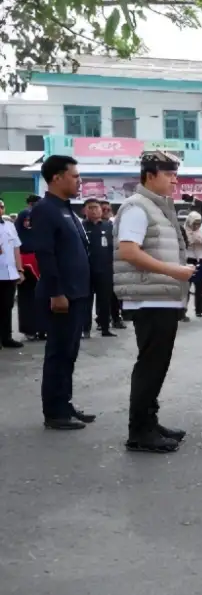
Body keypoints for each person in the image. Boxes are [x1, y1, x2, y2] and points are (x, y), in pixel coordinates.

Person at [112, 152, 193, 452]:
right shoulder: (137, 207)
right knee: (150, 366)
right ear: (150, 175)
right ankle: (139, 432)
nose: (175, 180)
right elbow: (129, 252)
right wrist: (174, 271)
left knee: (157, 365)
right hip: (149, 298)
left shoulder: (158, 207)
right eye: (169, 174)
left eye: (175, 174)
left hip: (161, 297)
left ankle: (149, 421)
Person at [28, 155, 95, 430]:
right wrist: (56, 292)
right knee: (58, 353)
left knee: (69, 353)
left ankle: (64, 403)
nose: (79, 181)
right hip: (62, 295)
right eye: (75, 176)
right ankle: (54, 412)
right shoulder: (45, 209)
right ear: (57, 178)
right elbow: (45, 254)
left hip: (78, 293)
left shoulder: (66, 209)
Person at [81, 198, 116, 337]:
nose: (94, 210)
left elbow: (114, 247)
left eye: (96, 207)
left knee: (105, 299)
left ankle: (105, 327)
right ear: (84, 210)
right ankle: (85, 329)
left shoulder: (108, 226)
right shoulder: (81, 227)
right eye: (90, 208)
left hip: (105, 269)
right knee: (86, 300)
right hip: (86, 269)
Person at [15, 195, 45, 341]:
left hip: (40, 261)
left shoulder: (43, 219)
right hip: (26, 263)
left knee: (40, 297)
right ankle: (31, 329)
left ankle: (41, 328)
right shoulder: (25, 216)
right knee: (28, 298)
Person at [0, 200, 24, 349]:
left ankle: (6, 337)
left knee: (7, 306)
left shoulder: (9, 225)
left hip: (9, 273)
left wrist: (20, 269)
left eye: (1, 207)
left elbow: (16, 248)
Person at [182, 211, 202, 319]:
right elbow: (183, 245)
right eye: (194, 223)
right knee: (186, 286)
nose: (196, 226)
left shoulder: (201, 232)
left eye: (198, 223)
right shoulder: (184, 232)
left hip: (200, 259)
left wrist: (200, 241)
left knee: (199, 286)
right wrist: (191, 241)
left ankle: (199, 310)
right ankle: (183, 310)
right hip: (189, 259)